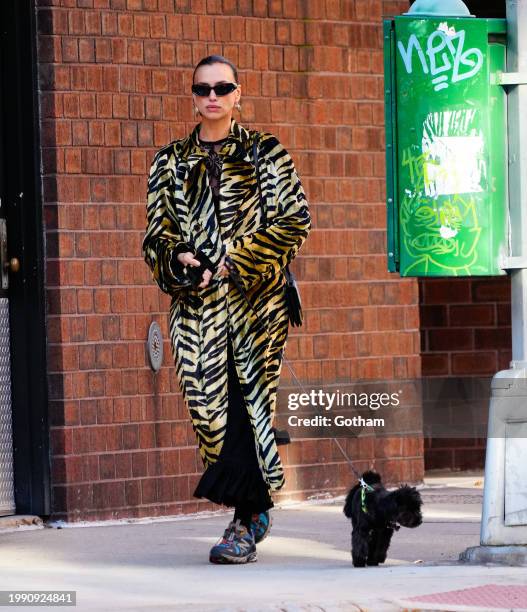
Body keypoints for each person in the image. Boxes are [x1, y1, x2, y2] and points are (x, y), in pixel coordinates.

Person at [142, 55, 311, 564]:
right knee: (210, 416)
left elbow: (294, 220)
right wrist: (179, 257)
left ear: (238, 94)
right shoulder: (169, 161)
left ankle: (245, 519)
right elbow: (156, 234)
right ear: (193, 97)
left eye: (222, 87)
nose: (211, 96)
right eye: (202, 89)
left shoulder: (267, 153)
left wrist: (235, 261)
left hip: (257, 307)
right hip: (196, 312)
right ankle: (254, 507)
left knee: (248, 408)